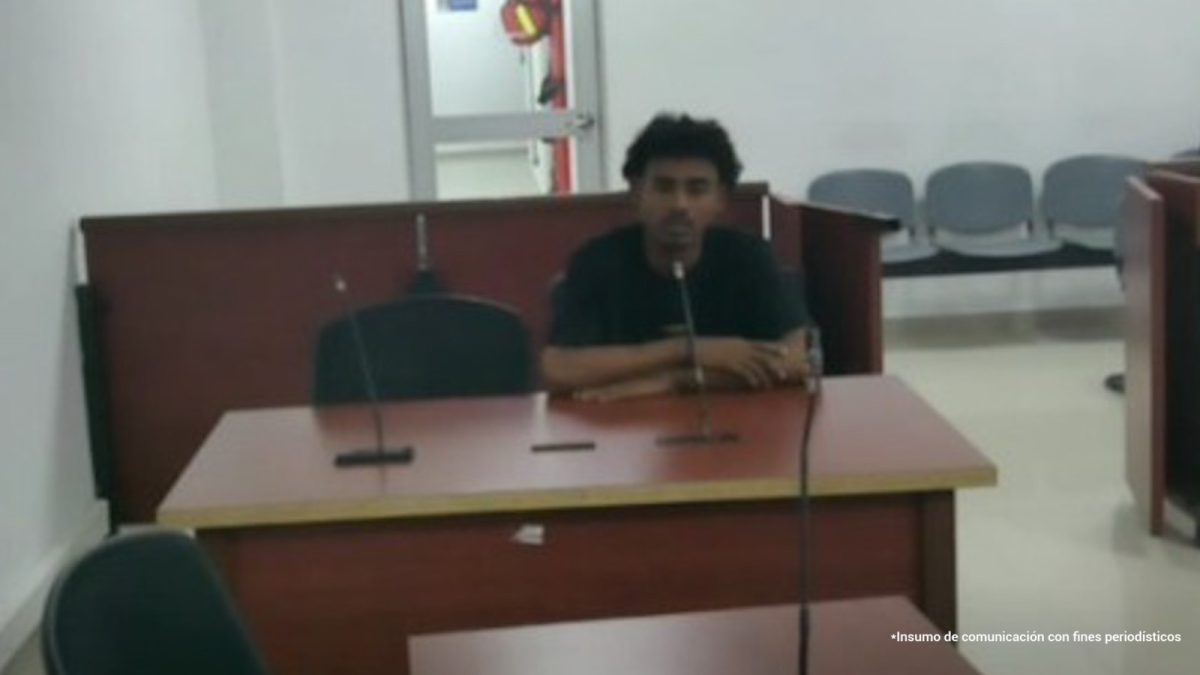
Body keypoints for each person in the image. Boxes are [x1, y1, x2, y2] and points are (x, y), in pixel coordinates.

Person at [541, 113, 813, 402]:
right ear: (636, 193)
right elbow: (558, 370)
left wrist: (674, 381)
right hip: (623, 425)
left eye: (697, 190)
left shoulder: (748, 256)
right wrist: (689, 350)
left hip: (736, 421)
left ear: (720, 199)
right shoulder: (597, 260)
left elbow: (801, 358)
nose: (679, 205)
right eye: (664, 187)